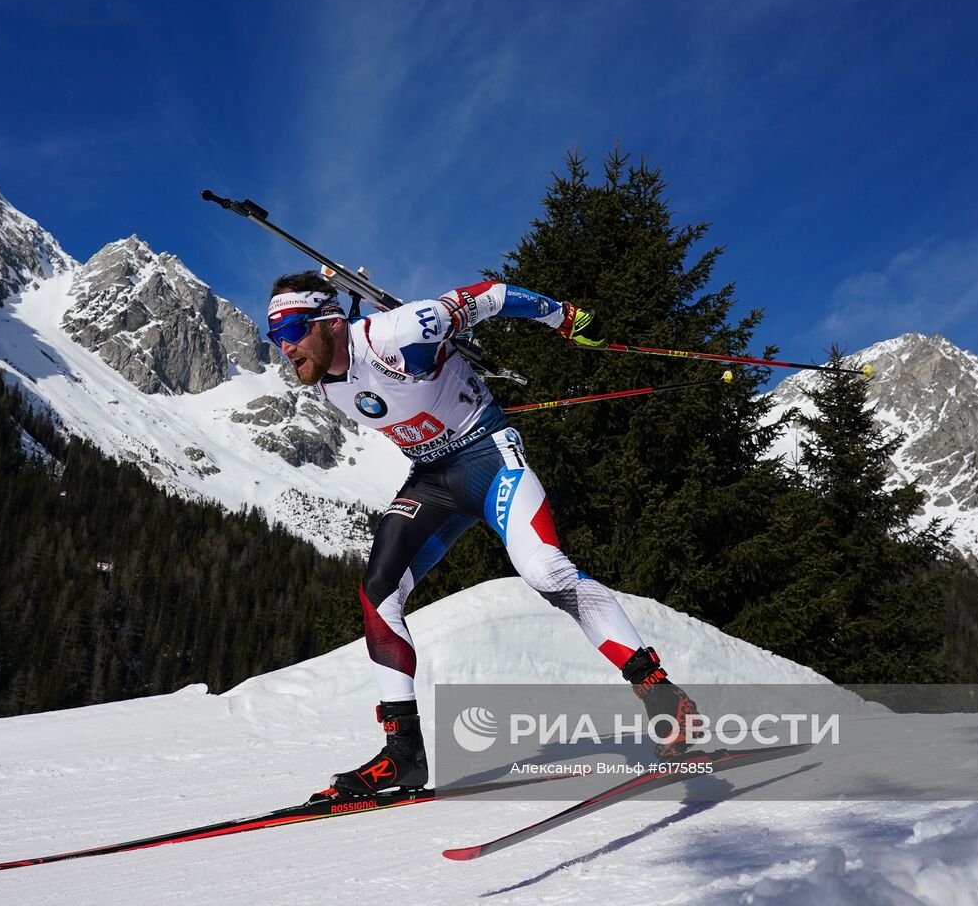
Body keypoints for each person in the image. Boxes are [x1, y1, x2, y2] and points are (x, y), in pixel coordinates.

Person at [266, 272, 697, 795]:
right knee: (379, 593)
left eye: (290, 327)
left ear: (331, 321)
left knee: (546, 571)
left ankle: (663, 698)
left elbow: (489, 295)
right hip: (431, 480)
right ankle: (404, 755)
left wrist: (564, 316)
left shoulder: (396, 334)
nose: (284, 345)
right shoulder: (327, 384)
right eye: (274, 335)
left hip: (489, 459)